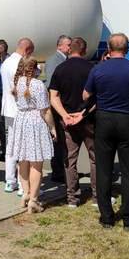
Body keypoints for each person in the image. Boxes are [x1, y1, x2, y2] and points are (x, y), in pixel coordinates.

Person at [83, 33, 129, 230]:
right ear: (126, 49)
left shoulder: (98, 69)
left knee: (104, 169)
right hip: (128, 118)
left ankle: (107, 217)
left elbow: (85, 95)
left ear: (109, 49)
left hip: (105, 118)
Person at [48, 37, 96, 208]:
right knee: (95, 158)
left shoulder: (60, 69)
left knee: (70, 159)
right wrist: (83, 113)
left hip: (67, 121)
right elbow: (98, 96)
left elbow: (53, 96)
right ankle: (97, 196)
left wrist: (65, 115)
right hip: (89, 120)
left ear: (70, 49)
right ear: (84, 50)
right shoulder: (92, 68)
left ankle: (72, 198)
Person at [7, 57, 56, 213]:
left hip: (21, 120)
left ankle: (26, 194)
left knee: (23, 160)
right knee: (36, 163)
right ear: (34, 68)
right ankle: (33, 200)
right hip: (35, 121)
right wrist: (53, 127)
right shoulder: (38, 84)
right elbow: (45, 110)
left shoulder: (17, 82)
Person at [0, 38, 35, 193]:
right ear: (27, 50)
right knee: (22, 147)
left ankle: (10, 180)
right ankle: (22, 184)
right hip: (20, 110)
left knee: (11, 145)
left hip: (8, 108)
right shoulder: (20, 64)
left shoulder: (6, 62)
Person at [44, 34, 71, 183]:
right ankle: (58, 172)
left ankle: (64, 170)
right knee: (58, 139)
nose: (70, 47)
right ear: (59, 46)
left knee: (64, 141)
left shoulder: (65, 60)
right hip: (56, 105)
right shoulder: (54, 61)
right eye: (68, 45)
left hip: (63, 105)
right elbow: (51, 85)